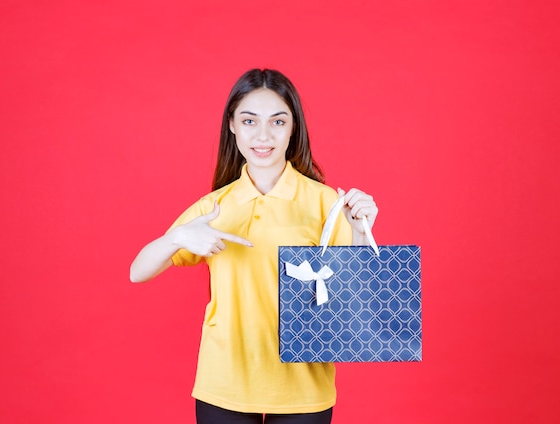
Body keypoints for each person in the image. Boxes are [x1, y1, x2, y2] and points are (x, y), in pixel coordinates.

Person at [130, 69, 378, 424]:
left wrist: (356, 231)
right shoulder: (215, 206)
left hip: (303, 386)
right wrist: (177, 238)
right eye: (249, 121)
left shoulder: (325, 202)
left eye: (278, 122)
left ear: (294, 128)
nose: (263, 136)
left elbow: (352, 297)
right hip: (225, 381)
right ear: (232, 125)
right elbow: (138, 272)